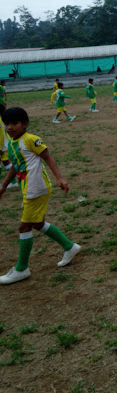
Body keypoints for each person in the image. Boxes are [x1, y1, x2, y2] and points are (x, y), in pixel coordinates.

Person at [0, 107, 81, 284]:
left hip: (35, 188)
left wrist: (59, 178)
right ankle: (69, 246)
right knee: (37, 223)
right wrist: (4, 186)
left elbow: (47, 157)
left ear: (25, 123)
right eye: (6, 124)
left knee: (24, 227)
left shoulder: (31, 139)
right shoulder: (12, 143)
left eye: (14, 123)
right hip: (28, 188)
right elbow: (15, 166)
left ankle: (21, 269)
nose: (9, 127)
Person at [0, 104, 18, 188]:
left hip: (2, 145)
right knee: (6, 161)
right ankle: (13, 182)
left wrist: (0, 148)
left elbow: (1, 134)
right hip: (6, 143)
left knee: (5, 161)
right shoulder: (2, 118)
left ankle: (13, 182)